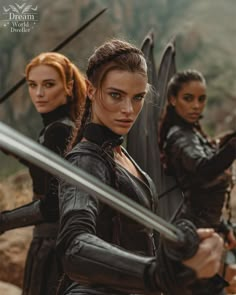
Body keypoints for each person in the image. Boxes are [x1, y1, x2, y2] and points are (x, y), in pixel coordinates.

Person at [56, 40, 224, 295]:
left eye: (138, 98)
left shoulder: (123, 157)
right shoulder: (85, 161)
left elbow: (143, 243)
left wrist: (188, 247)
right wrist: (157, 273)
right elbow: (74, 246)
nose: (128, 110)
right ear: (91, 90)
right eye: (116, 95)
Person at [0, 52, 86, 295]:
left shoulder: (59, 130)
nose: (39, 93)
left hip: (54, 244)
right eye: (33, 85)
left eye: (49, 85)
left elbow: (54, 203)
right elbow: (40, 163)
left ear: (68, 87)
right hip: (54, 241)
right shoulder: (58, 127)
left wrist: (4, 220)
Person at [158, 69, 236, 293]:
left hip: (207, 230)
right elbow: (204, 171)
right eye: (188, 98)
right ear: (173, 100)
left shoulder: (193, 133)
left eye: (201, 99)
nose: (196, 106)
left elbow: (203, 191)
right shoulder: (179, 136)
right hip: (192, 235)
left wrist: (223, 226)